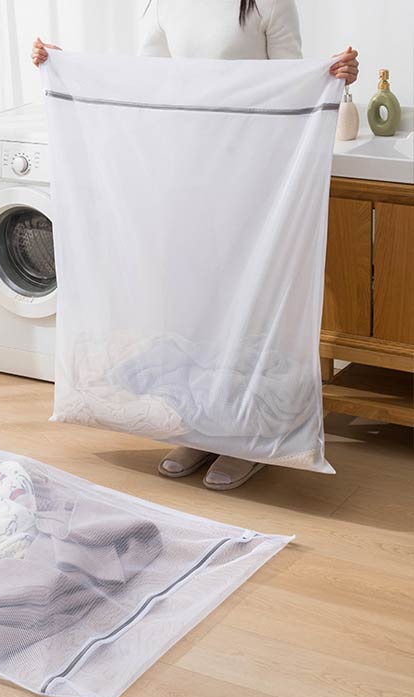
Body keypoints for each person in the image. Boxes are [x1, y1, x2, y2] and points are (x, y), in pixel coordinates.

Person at [32, 0, 358, 490]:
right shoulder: (163, 4)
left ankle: (248, 438)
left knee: (247, 311)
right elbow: (148, 86)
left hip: (251, 178)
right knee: (194, 315)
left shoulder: (267, 3)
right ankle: (200, 426)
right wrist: (66, 69)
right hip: (186, 178)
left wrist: (335, 76)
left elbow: (293, 84)